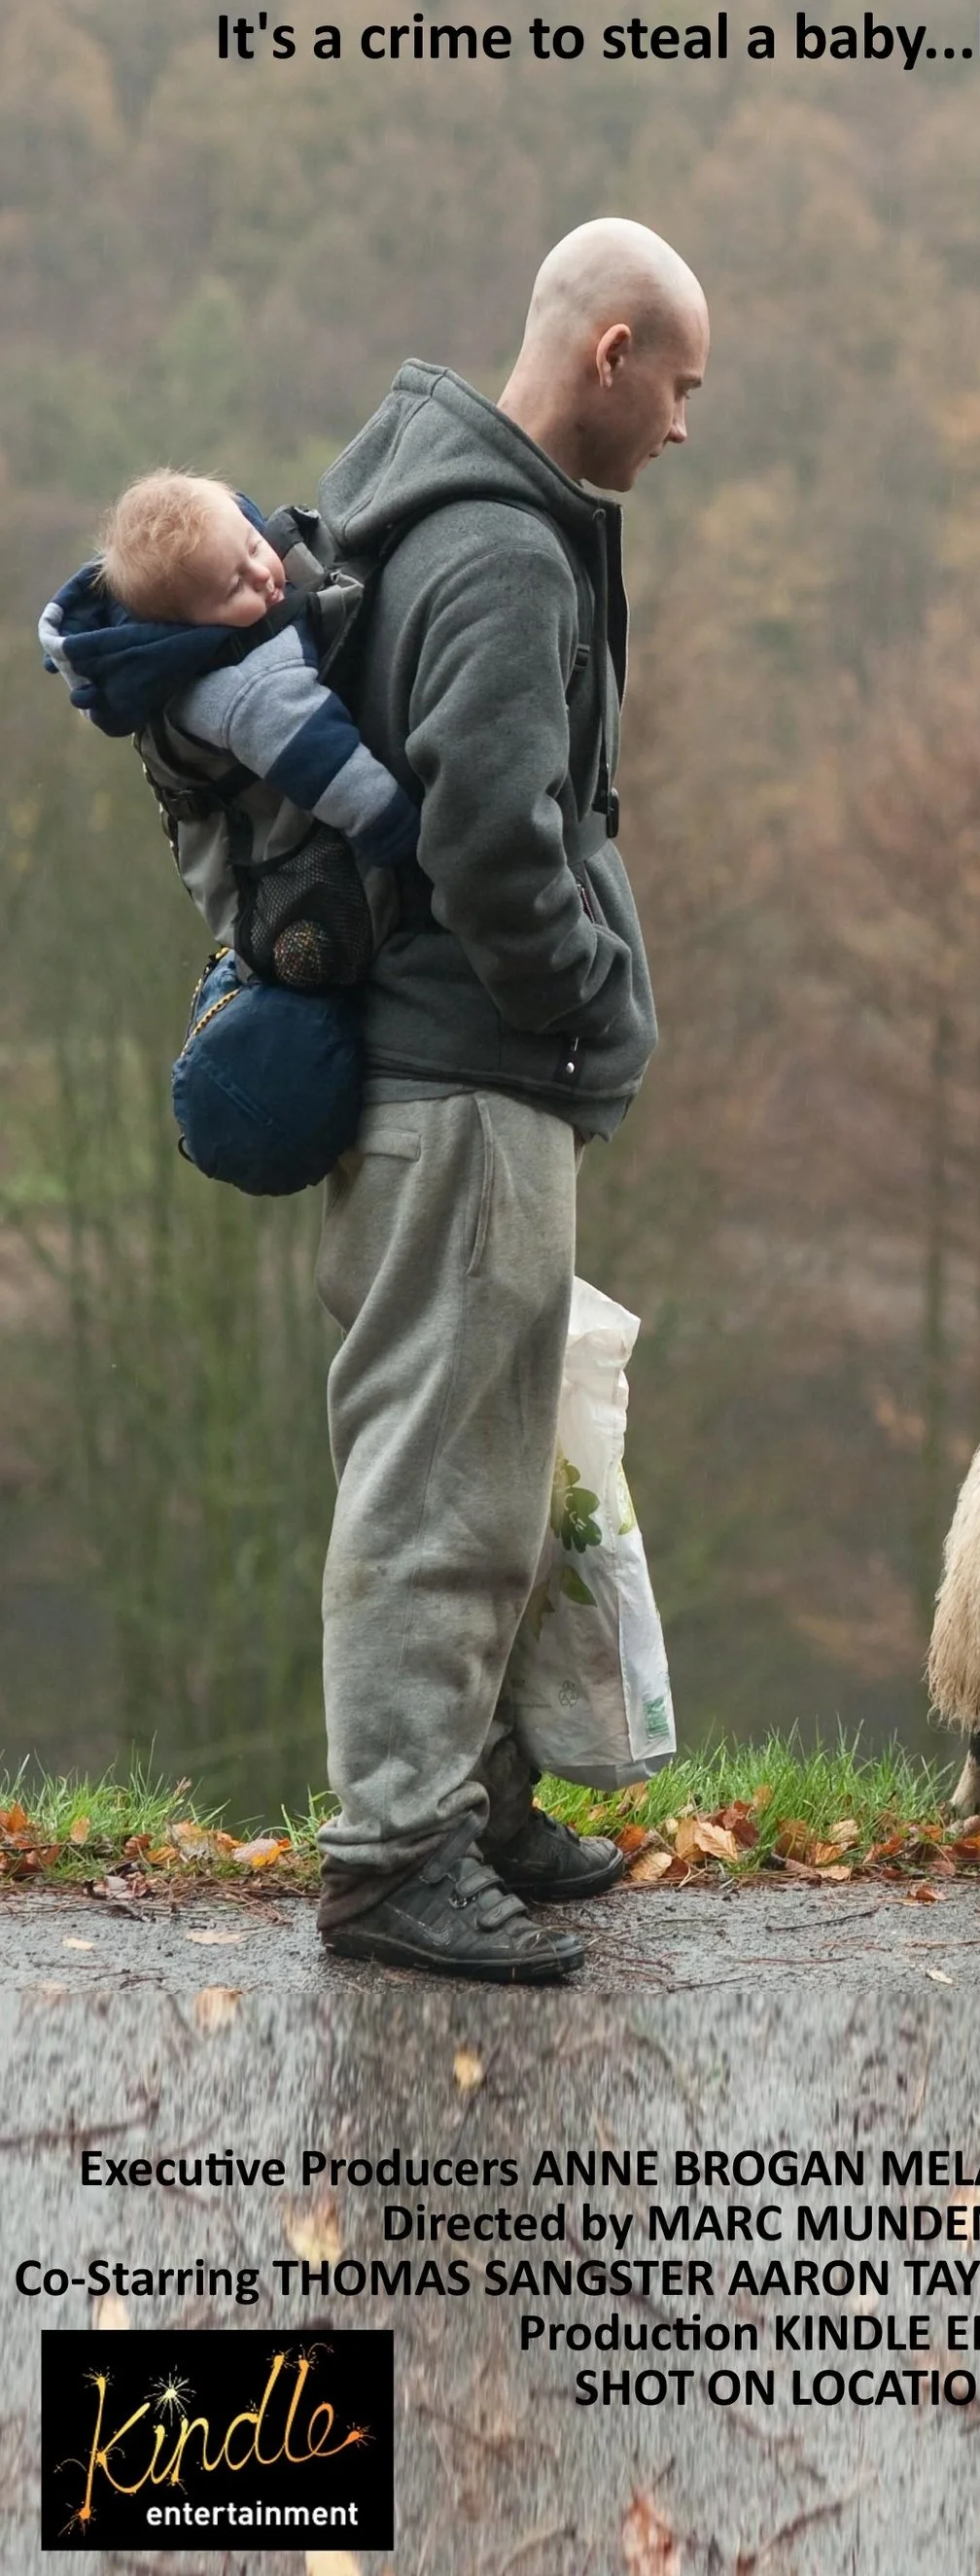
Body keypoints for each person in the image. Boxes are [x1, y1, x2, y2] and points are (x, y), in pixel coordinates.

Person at [305, 218, 708, 1983]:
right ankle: (395, 1857)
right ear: (610, 352)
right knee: (439, 1485)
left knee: (495, 1466)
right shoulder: (502, 552)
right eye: (679, 385)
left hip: (452, 1082)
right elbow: (487, 832)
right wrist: (582, 996)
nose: (682, 425)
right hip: (465, 1083)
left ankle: (472, 1802)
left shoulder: (447, 512)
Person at [45, 470, 418, 868]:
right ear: (190, 628)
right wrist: (409, 843)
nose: (262, 576)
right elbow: (339, 777)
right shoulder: (250, 689)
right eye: (234, 587)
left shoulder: (239, 582)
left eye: (254, 547)